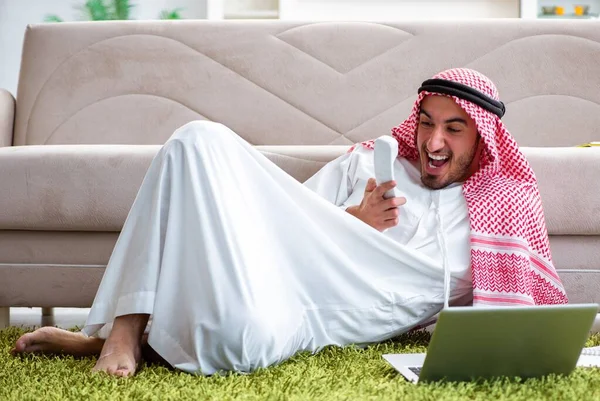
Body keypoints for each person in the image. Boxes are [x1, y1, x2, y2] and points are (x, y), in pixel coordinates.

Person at [11, 68, 568, 377]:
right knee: (195, 140)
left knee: (227, 346)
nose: (433, 142)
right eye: (426, 123)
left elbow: (521, 319)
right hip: (276, 275)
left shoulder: (501, 212)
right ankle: (124, 331)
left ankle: (117, 340)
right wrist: (355, 219)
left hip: (285, 327)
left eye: (453, 129)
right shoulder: (370, 165)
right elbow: (270, 224)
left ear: (483, 141)